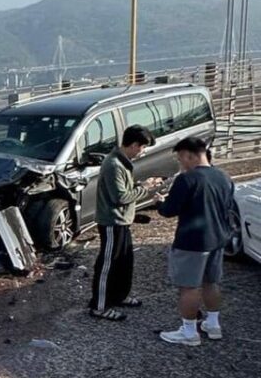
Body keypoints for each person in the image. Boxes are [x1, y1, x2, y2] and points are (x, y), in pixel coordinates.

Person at [156, 136, 236, 346]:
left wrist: (160, 203)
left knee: (189, 287)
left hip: (192, 241)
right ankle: (213, 323)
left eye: (180, 159)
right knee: (211, 282)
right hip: (218, 238)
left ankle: (189, 331)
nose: (180, 163)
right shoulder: (223, 177)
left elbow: (170, 210)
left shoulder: (187, 179)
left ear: (188, 155)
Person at [88, 125, 163, 321]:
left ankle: (120, 296)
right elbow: (120, 196)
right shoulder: (114, 165)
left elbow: (125, 190)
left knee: (124, 262)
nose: (143, 152)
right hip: (112, 221)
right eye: (143, 147)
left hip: (123, 221)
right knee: (108, 264)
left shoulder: (123, 162)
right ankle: (99, 307)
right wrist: (145, 189)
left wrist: (141, 186)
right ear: (134, 145)